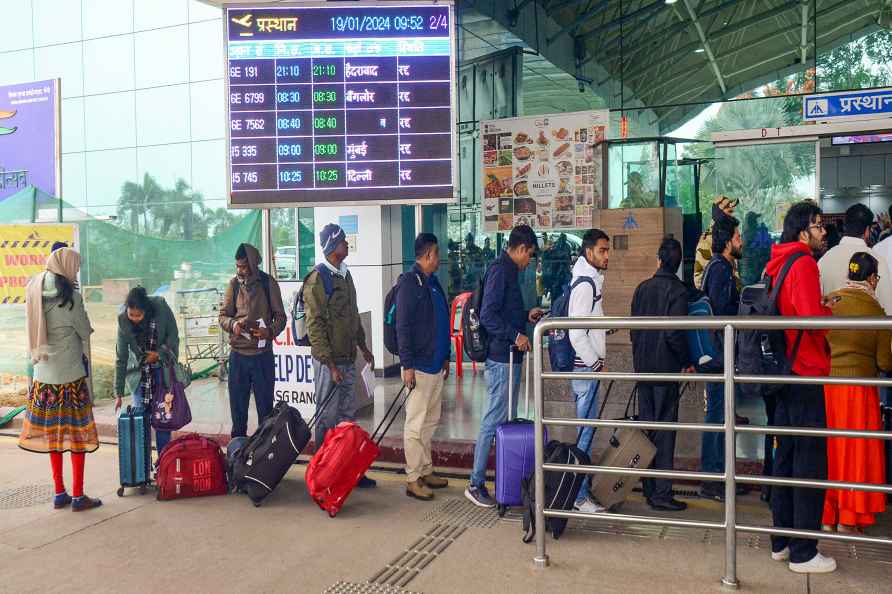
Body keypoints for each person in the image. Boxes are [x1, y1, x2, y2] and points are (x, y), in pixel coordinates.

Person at [766, 201, 836, 574]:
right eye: (818, 225)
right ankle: (804, 552)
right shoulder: (804, 263)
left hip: (781, 372)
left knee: (786, 459)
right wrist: (828, 310)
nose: (823, 231)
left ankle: (782, 541)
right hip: (805, 370)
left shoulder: (776, 262)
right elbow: (813, 322)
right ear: (802, 232)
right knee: (809, 463)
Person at [465, 225, 544, 507]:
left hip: (509, 357)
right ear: (521, 249)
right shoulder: (502, 270)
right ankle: (475, 483)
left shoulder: (508, 270)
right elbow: (488, 315)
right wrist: (516, 335)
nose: (529, 262)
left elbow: (504, 312)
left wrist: (525, 315)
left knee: (503, 419)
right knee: (493, 420)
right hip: (501, 358)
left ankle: (503, 481)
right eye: (530, 255)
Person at [19, 248, 101, 511]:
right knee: (77, 437)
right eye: (74, 268)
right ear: (66, 267)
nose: (76, 272)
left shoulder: (34, 291)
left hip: (43, 380)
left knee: (54, 437)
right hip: (71, 380)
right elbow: (85, 331)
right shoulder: (72, 298)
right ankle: (78, 495)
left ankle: (59, 492)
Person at [304, 223, 376, 488]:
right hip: (329, 364)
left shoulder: (345, 274)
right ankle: (322, 475)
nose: (347, 244)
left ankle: (349, 470)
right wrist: (330, 364)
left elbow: (353, 315)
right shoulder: (318, 279)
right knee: (326, 418)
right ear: (333, 247)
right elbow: (315, 326)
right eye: (343, 241)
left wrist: (364, 348)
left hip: (347, 359)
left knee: (347, 419)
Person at [822, 252, 890, 533]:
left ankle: (828, 513)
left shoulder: (830, 301)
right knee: (857, 451)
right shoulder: (875, 311)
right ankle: (850, 518)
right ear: (872, 278)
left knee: (833, 450)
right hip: (860, 391)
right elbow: (885, 362)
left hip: (827, 386)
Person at [630, 237, 693, 512]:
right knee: (665, 431)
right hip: (665, 370)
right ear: (678, 265)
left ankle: (648, 488)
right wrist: (686, 361)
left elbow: (634, 330)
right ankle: (662, 493)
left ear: (658, 260)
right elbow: (674, 333)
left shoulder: (642, 289)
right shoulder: (679, 292)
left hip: (643, 368)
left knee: (648, 428)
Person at [396, 233, 451, 501]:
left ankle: (426, 469)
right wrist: (406, 365)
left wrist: (446, 356)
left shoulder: (433, 282)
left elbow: (440, 320)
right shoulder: (410, 283)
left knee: (430, 422)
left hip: (435, 364)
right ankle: (413, 477)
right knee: (415, 425)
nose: (439, 259)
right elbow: (402, 327)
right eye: (437, 254)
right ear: (428, 255)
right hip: (417, 366)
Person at [699, 217, 749, 501]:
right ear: (728, 240)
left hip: (723, 351)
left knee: (723, 414)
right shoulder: (719, 269)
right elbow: (719, 312)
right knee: (717, 414)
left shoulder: (722, 267)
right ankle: (712, 478)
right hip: (719, 353)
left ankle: (722, 475)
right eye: (738, 236)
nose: (741, 240)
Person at [219, 243, 286, 438]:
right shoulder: (233, 285)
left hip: (261, 357)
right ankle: (238, 458)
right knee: (238, 414)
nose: (240, 271)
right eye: (237, 266)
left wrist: (269, 332)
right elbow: (222, 316)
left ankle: (263, 460)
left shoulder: (268, 283)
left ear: (253, 264)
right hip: (238, 357)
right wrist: (233, 325)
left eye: (244, 266)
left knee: (266, 413)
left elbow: (281, 317)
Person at [568, 228, 610, 514]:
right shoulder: (585, 284)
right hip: (585, 371)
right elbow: (576, 333)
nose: (607, 255)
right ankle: (578, 496)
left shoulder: (591, 279)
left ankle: (580, 493)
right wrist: (595, 362)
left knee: (587, 432)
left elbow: (589, 322)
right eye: (602, 250)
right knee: (584, 435)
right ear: (589, 252)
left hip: (587, 370)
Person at [113, 287, 180, 457]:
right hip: (139, 377)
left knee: (162, 419)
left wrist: (159, 354)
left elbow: (173, 337)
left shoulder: (161, 309)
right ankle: (142, 468)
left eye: (138, 315)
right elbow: (121, 358)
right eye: (131, 314)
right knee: (140, 422)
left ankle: (163, 464)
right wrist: (118, 392)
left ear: (146, 311)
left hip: (161, 373)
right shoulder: (123, 321)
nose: (134, 319)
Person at [818, 204, 892, 314]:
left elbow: (818, 302)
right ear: (867, 231)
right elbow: (887, 307)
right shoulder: (876, 260)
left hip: (832, 329)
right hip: (866, 329)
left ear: (845, 226)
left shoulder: (824, 260)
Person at [694, 196, 739, 290]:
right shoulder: (707, 240)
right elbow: (699, 280)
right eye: (729, 212)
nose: (732, 215)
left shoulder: (727, 235)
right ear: (719, 214)